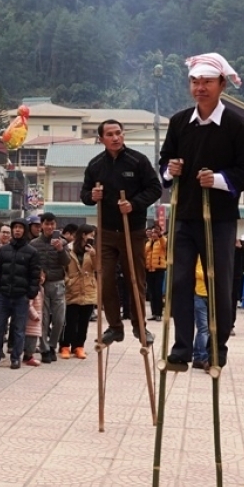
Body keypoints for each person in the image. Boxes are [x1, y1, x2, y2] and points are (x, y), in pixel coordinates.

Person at [156, 53, 244, 371]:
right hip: (184, 214)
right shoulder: (178, 122)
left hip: (219, 217)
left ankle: (217, 344)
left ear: (222, 85)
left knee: (218, 282)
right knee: (180, 280)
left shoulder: (235, 125)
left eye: (207, 82)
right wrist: (170, 170)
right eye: (195, 82)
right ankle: (182, 347)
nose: (200, 88)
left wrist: (217, 180)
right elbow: (164, 165)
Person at [80, 119, 163, 347]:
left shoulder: (138, 161)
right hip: (106, 231)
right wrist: (92, 196)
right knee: (105, 279)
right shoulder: (96, 164)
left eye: (118, 133)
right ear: (101, 139)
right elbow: (84, 194)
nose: (115, 137)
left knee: (135, 279)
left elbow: (155, 189)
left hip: (133, 229)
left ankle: (140, 326)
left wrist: (134, 204)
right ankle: (115, 327)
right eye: (110, 134)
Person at [0, 219, 41, 371]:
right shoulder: (3, 251)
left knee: (19, 329)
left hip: (21, 296)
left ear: (24, 230)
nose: (17, 230)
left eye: (20, 228)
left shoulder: (32, 252)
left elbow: (35, 275)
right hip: (3, 295)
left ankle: (15, 358)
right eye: (15, 228)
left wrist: (30, 293)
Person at [28, 212, 71, 363]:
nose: (49, 227)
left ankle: (53, 345)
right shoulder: (33, 244)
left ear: (56, 225)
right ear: (41, 226)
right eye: (46, 224)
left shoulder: (63, 242)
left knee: (59, 319)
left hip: (58, 283)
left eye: (52, 224)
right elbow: (31, 264)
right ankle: (45, 349)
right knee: (44, 319)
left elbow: (67, 262)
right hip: (42, 286)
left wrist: (60, 249)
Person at [61, 224, 97, 359]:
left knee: (84, 321)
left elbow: (98, 268)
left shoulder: (93, 250)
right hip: (73, 288)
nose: (92, 238)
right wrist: (68, 281)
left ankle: (79, 346)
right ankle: (65, 346)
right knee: (70, 320)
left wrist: (94, 255)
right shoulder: (69, 249)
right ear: (83, 235)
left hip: (88, 289)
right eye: (91, 235)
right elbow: (63, 267)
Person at [144, 225, 167, 321]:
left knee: (158, 292)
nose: (154, 234)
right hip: (149, 270)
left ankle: (159, 313)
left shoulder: (162, 241)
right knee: (151, 293)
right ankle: (153, 313)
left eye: (156, 232)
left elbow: (165, 245)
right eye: (153, 232)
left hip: (159, 270)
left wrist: (160, 236)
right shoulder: (148, 243)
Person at [23, 274, 45, 366]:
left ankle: (28, 355)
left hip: (37, 318)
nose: (42, 278)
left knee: (33, 338)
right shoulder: (33, 289)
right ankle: (29, 356)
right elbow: (29, 304)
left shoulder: (40, 288)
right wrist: (34, 315)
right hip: (33, 319)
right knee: (31, 338)